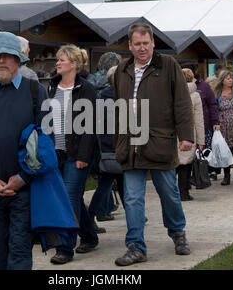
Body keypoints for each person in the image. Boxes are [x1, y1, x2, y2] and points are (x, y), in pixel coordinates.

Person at [113, 23, 194, 266]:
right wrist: (118, 139)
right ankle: (136, 246)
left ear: (153, 43)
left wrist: (186, 136)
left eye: (145, 43)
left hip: (160, 142)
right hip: (130, 147)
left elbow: (182, 103)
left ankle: (178, 232)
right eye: (137, 44)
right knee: (132, 198)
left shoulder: (168, 65)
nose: (142, 48)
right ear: (130, 45)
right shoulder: (122, 69)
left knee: (169, 193)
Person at [0, 31, 48, 270]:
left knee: (19, 252)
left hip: (24, 189)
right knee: (0, 253)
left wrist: (23, 177)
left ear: (18, 59)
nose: (1, 61)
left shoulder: (36, 92)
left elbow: (47, 141)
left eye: (6, 56)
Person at [47, 44, 99, 264]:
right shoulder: (51, 88)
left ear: (74, 64)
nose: (57, 63)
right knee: (73, 198)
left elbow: (90, 126)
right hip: (54, 153)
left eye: (62, 60)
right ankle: (89, 235)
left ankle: (65, 248)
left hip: (76, 154)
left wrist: (83, 157)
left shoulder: (86, 89)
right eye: (57, 60)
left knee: (67, 199)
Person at [88, 65, 123, 232]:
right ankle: (90, 216)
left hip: (106, 148)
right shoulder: (123, 96)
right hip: (118, 148)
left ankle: (90, 216)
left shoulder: (101, 95)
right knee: (121, 186)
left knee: (106, 185)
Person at [177, 68, 205, 201]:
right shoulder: (195, 95)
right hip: (190, 133)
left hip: (174, 132)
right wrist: (201, 140)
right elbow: (199, 120)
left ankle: (173, 192)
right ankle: (184, 192)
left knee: (174, 164)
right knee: (186, 164)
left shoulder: (172, 92)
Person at [213, 70, 233, 185]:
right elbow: (213, 110)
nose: (230, 80)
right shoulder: (217, 93)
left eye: (231, 78)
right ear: (222, 80)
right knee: (225, 151)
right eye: (227, 78)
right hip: (223, 127)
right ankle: (226, 175)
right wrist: (215, 122)